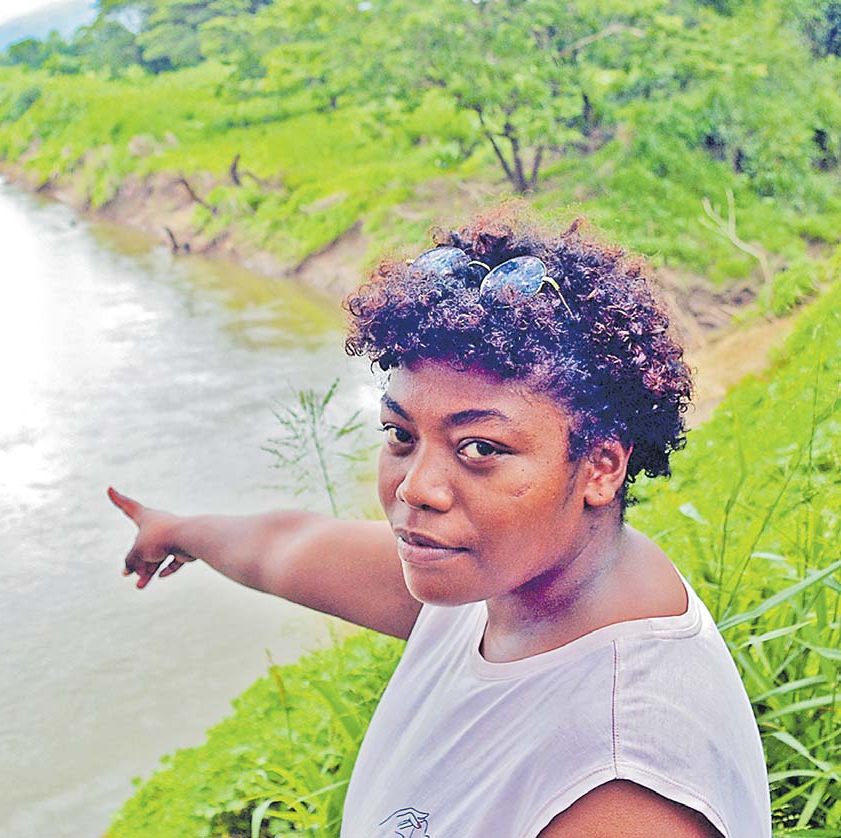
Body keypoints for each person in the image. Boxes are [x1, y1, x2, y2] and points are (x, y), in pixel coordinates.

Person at [108, 209, 772, 837]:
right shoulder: (514, 578)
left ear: (600, 467)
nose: (415, 488)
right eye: (400, 434)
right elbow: (289, 548)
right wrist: (178, 531)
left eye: (479, 448)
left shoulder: (622, 782)